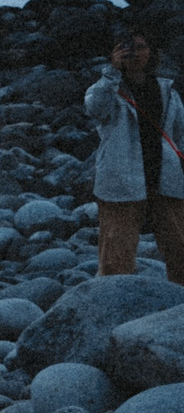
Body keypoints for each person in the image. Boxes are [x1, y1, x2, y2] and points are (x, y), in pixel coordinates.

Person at [86, 25, 184, 280]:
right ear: (115, 54)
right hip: (121, 179)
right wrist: (111, 74)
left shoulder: (167, 90)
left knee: (180, 245)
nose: (135, 53)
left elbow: (180, 134)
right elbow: (95, 109)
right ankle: (112, 305)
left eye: (141, 47)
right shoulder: (108, 88)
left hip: (166, 176)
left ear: (151, 53)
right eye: (126, 48)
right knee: (116, 253)